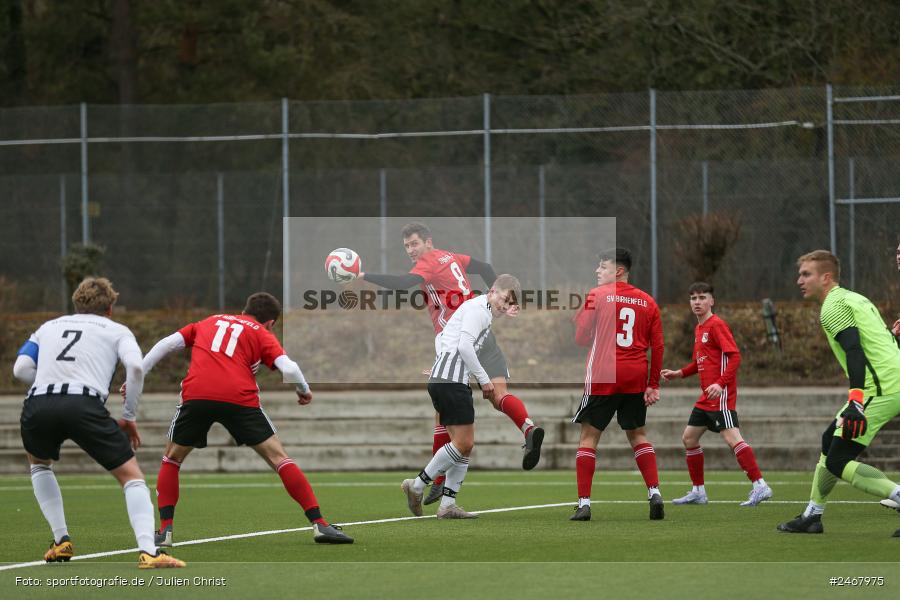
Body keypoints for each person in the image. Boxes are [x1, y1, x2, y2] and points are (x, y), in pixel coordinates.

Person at [138, 292, 352, 545]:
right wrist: (303, 390)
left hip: (198, 395)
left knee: (172, 458)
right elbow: (291, 368)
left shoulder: (208, 322)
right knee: (278, 457)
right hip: (239, 398)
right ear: (270, 322)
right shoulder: (262, 333)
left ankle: (165, 532)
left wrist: (138, 375)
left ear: (244, 309)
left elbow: (165, 344)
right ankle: (320, 524)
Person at [359, 222, 543, 505]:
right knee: (499, 395)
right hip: (483, 330)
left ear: (428, 242)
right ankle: (528, 428)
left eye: (415, 244)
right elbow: (484, 266)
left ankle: (435, 481)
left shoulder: (429, 263)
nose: (411, 250)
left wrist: (364, 275)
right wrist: (497, 301)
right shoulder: (451, 256)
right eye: (407, 246)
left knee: (442, 415)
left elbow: (402, 283)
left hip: (457, 337)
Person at [13, 277, 185, 568]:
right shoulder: (117, 330)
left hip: (39, 402)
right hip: (83, 403)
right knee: (132, 477)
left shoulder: (48, 327)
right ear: (110, 309)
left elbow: (20, 369)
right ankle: (149, 552)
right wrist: (128, 416)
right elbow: (135, 367)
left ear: (76, 304)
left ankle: (61, 541)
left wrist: (46, 384)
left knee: (40, 464)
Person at [777, 250, 900, 535]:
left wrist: (855, 400)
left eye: (806, 274)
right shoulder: (855, 297)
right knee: (828, 442)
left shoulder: (832, 307)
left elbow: (855, 351)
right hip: (888, 382)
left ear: (826, 277)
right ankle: (813, 515)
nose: (800, 280)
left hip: (879, 388)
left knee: (837, 460)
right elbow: (876, 343)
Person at [401, 275, 522, 519]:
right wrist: (484, 379)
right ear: (493, 291)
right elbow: (464, 346)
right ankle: (416, 485)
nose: (504, 305)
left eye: (509, 302)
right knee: (464, 444)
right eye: (504, 298)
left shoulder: (478, 309)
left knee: (463, 446)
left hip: (445, 379)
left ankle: (447, 505)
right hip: (451, 381)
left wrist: (440, 363)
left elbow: (443, 338)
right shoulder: (480, 309)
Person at [570, 248, 665, 522]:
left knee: (589, 438)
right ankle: (655, 493)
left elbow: (579, 338)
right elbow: (657, 346)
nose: (597, 272)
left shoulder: (596, 295)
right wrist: (653, 383)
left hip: (603, 374)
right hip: (635, 376)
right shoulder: (648, 301)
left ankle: (584, 503)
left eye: (602, 267)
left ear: (618, 271)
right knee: (638, 435)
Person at [660, 282, 773, 507]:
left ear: (712, 301)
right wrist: (678, 373)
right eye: (693, 298)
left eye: (702, 297)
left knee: (732, 438)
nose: (697, 302)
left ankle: (760, 485)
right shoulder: (699, 328)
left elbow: (735, 357)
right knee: (689, 438)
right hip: (706, 398)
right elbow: (699, 362)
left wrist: (721, 384)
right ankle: (698, 492)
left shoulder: (716, 325)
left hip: (720, 396)